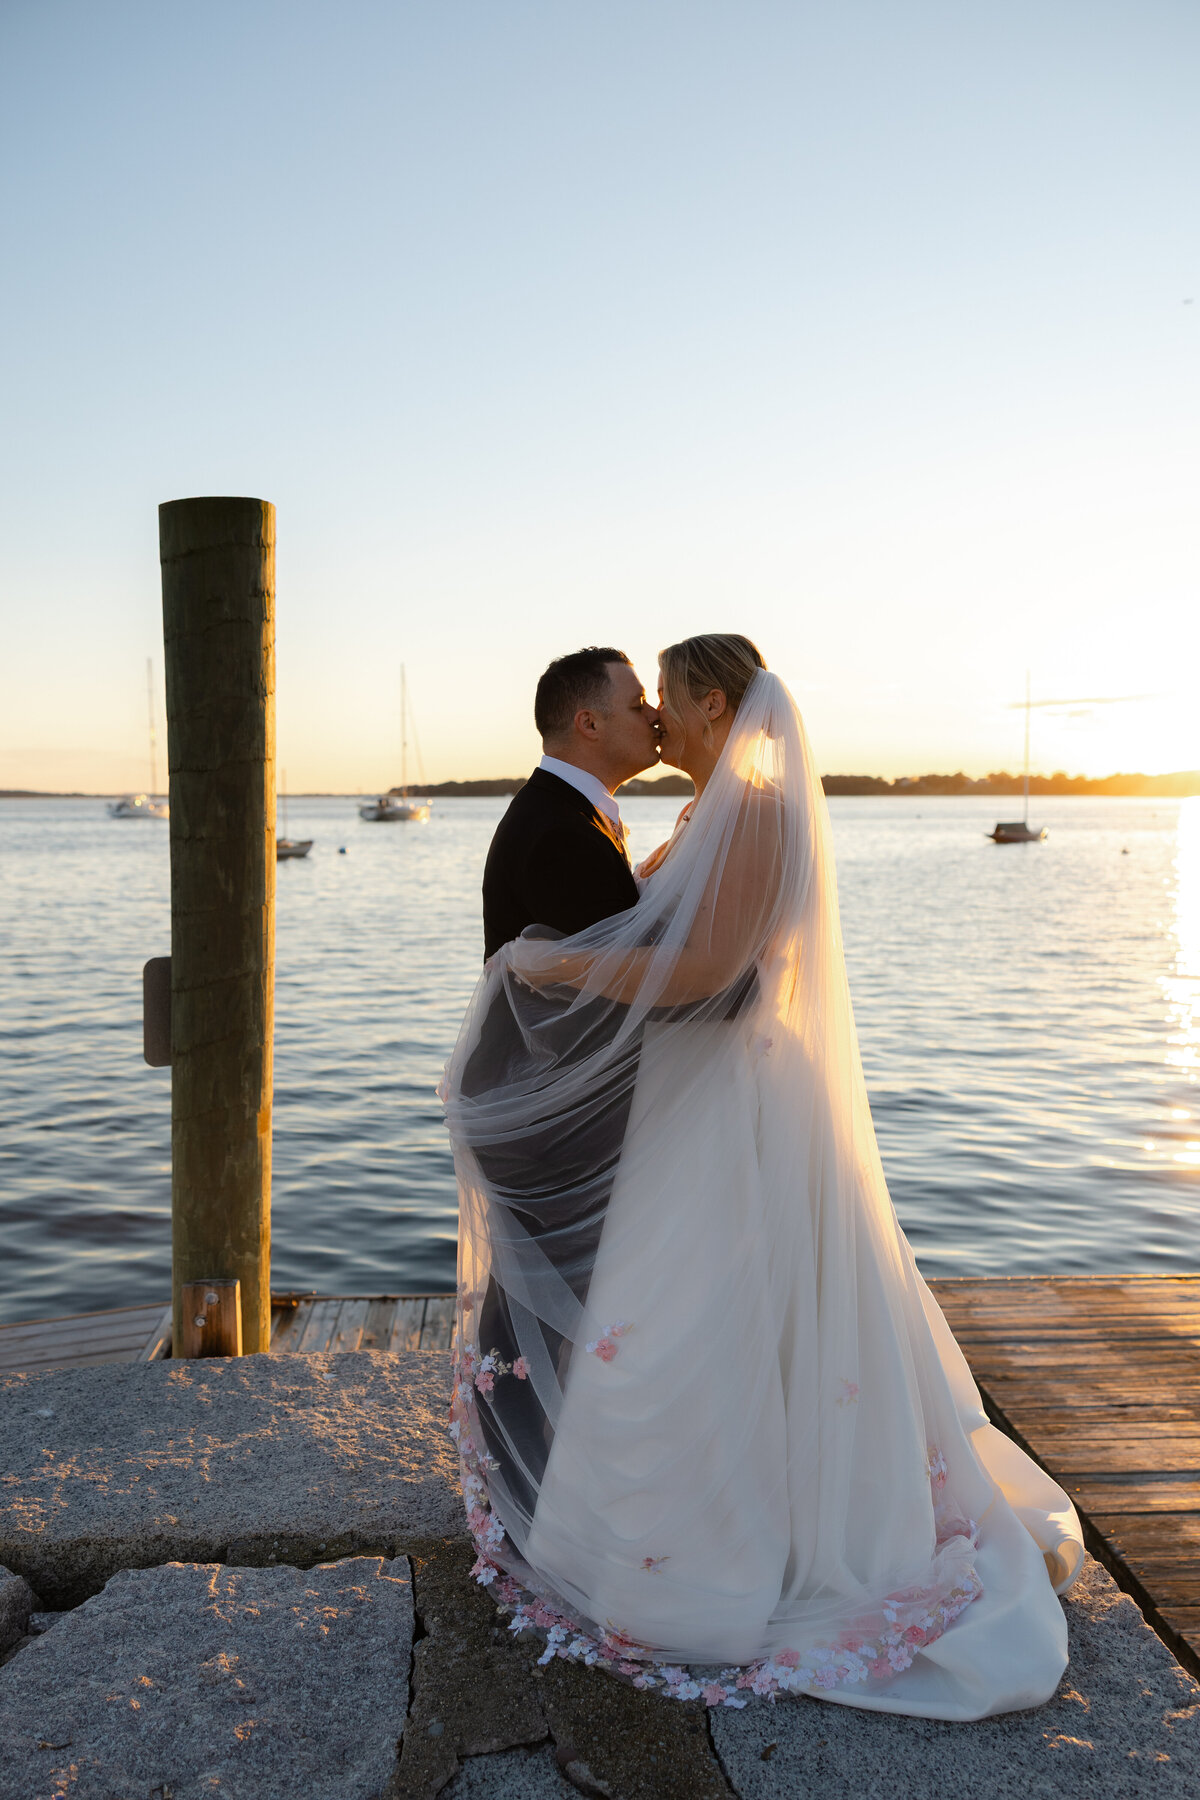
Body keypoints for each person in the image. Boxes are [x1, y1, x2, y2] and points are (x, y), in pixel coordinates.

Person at [443, 634, 1083, 1720]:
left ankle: (734, 1550)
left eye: (670, 700)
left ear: (714, 707)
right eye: (642, 702)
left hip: (727, 1104)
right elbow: (668, 933)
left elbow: (709, 971)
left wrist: (548, 960)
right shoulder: (709, 816)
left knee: (713, 1311)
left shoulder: (754, 813)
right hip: (688, 1109)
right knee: (687, 1316)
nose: (657, 717)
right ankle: (649, 1534)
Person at [459, 647, 661, 1520]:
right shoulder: (564, 835)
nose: (652, 714)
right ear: (589, 721)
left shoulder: (572, 819)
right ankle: (520, 1496)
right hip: (548, 1117)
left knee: (540, 1301)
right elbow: (629, 980)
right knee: (541, 1308)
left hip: (539, 1104)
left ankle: (521, 1483)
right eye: (636, 700)